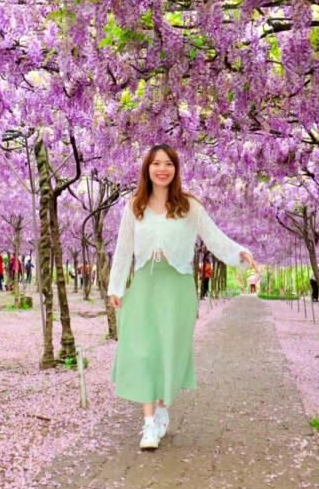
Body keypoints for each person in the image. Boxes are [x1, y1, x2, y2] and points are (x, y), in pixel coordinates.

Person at [108, 145, 257, 451]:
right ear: (147, 169)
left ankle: (163, 407)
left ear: (175, 169)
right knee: (143, 352)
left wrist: (239, 254)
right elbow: (123, 249)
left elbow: (214, 238)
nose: (162, 169)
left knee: (168, 351)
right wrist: (116, 286)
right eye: (156, 163)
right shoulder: (134, 207)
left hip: (177, 288)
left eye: (168, 164)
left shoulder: (189, 207)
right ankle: (148, 424)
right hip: (145, 286)